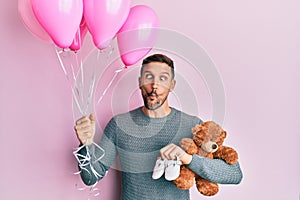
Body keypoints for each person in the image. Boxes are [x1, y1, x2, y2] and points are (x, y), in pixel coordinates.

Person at [74, 54, 243, 200]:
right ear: (140, 82)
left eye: (162, 78)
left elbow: (235, 174)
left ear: (172, 85)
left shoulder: (193, 126)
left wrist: (188, 159)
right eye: (148, 77)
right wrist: (86, 145)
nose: (154, 85)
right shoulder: (119, 125)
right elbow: (90, 177)